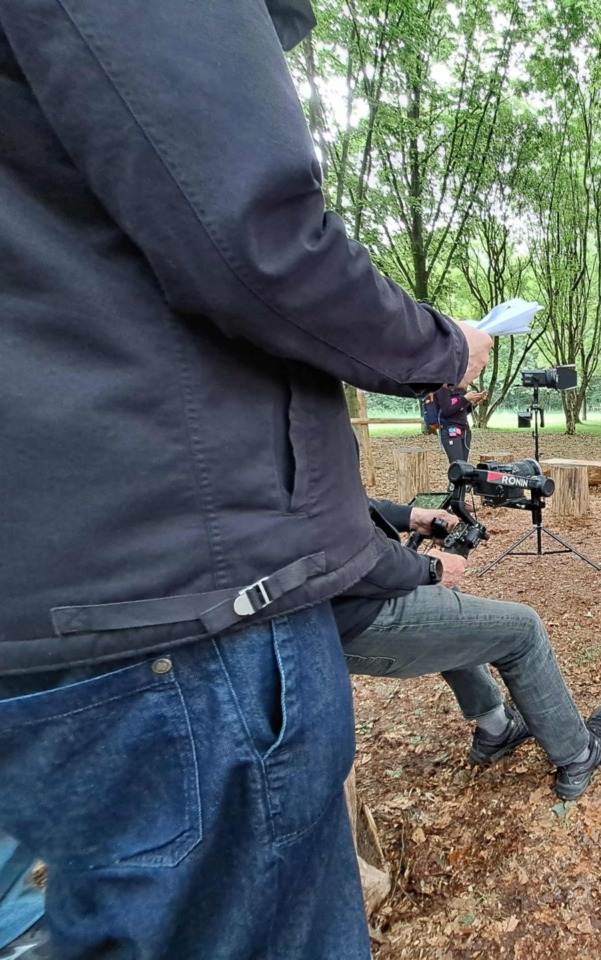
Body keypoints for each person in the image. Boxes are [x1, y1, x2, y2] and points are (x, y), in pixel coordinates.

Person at [0, 3, 492, 958]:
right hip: (196, 598)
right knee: (520, 629)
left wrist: (414, 519)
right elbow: (258, 242)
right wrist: (443, 349)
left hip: (78, 590)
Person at [338, 500, 601, 800]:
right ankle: (578, 753)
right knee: (524, 630)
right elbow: (335, 545)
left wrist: (412, 516)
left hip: (324, 620)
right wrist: (425, 567)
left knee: (447, 605)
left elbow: (344, 506)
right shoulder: (318, 465)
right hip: (355, 618)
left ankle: (497, 728)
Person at [433, 383, 487, 463]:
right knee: (457, 465)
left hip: (464, 430)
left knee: (464, 466)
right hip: (450, 430)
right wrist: (465, 398)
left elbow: (462, 410)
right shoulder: (442, 387)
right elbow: (446, 411)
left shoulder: (461, 387)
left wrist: (474, 403)